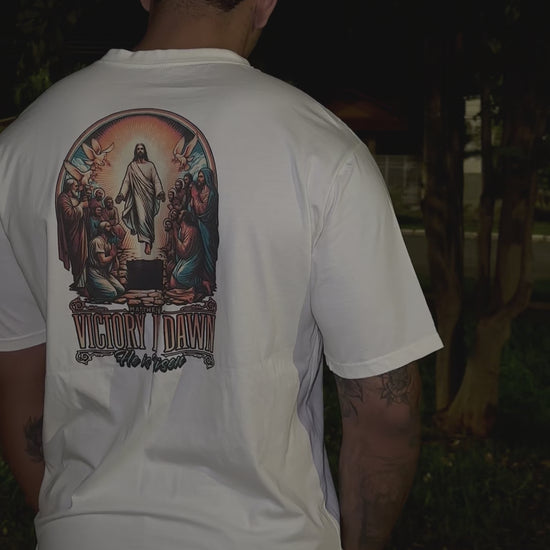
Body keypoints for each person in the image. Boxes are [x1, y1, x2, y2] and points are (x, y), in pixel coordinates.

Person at [0, 1, 442, 550]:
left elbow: (17, 382)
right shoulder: (321, 150)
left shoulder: (21, 148)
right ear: (265, 3)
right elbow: (385, 411)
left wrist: (76, 523)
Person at [116, 142, 166, 255]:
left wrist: (160, 192)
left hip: (149, 196)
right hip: (137, 196)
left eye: (142, 148)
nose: (140, 150)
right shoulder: (132, 166)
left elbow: (156, 180)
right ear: (135, 151)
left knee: (149, 220)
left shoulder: (150, 165)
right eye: (138, 149)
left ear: (144, 151)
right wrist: (122, 194)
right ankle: (147, 242)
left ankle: (149, 241)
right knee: (142, 219)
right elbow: (126, 182)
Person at [56, 177, 89, 292]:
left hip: (80, 232)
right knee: (77, 257)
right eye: (75, 186)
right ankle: (79, 282)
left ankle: (82, 282)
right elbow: (69, 215)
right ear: (69, 187)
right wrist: (81, 206)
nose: (77, 188)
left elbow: (83, 213)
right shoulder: (63, 199)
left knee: (83, 256)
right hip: (71, 234)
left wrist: (83, 205)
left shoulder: (73, 198)